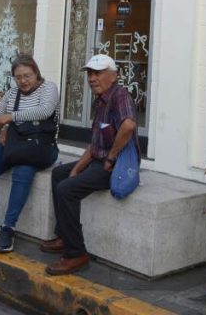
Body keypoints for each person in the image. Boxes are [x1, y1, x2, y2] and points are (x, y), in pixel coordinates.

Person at [39, 54, 139, 276]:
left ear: (113, 76)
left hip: (114, 166)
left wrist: (111, 157)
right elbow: (95, 145)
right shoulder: (100, 101)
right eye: (90, 74)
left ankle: (76, 254)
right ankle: (64, 236)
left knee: (66, 190)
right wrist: (76, 170)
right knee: (59, 174)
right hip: (99, 160)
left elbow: (128, 126)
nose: (92, 78)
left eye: (98, 73)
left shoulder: (120, 95)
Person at [0, 56, 59, 253]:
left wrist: (11, 117)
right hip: (14, 144)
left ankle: (9, 227)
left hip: (39, 147)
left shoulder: (49, 88)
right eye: (18, 77)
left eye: (27, 76)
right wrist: (2, 128)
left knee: (22, 172)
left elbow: (44, 111)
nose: (23, 81)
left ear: (36, 73)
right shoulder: (12, 93)